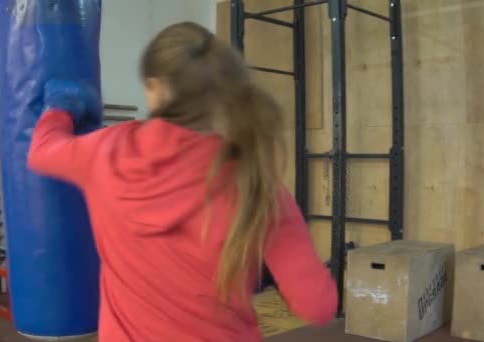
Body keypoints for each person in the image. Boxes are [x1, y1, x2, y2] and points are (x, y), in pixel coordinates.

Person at [27, 22, 337, 342]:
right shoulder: (256, 182)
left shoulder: (106, 152)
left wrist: (59, 107)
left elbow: (41, 152)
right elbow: (318, 306)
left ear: (158, 88)